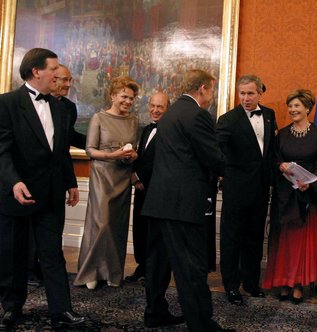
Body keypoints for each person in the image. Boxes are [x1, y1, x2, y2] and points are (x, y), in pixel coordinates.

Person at [0, 48, 87, 329]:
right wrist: (14, 181)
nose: (57, 74)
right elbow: (2, 151)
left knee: (52, 254)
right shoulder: (7, 103)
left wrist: (71, 183)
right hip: (17, 193)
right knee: (14, 254)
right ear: (36, 71)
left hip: (51, 193)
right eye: (53, 68)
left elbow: (61, 152)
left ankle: (61, 310)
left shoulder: (61, 107)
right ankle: (12, 308)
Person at [141, 70, 232, 331]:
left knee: (157, 263)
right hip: (182, 204)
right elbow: (213, 157)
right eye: (211, 91)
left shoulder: (170, 113)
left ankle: (155, 312)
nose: (211, 97)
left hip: (158, 200)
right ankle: (201, 324)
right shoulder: (197, 115)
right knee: (191, 267)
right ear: (202, 89)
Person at [262, 89, 317, 304]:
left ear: (307, 108)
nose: (292, 110)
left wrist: (309, 184)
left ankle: (298, 283)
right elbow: (273, 160)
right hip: (284, 195)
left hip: (307, 196)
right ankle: (283, 281)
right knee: (284, 242)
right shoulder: (282, 134)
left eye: (297, 106)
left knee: (301, 242)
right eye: (290, 106)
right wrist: (280, 166)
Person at [73, 76, 139, 290]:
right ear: (113, 95)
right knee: (101, 224)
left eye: (131, 98)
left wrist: (132, 156)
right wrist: (113, 156)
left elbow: (133, 149)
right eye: (124, 96)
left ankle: (112, 272)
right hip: (103, 176)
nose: (128, 101)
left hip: (122, 178)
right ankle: (91, 272)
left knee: (116, 227)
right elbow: (90, 150)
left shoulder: (133, 121)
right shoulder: (98, 118)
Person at [216, 75, 277, 305]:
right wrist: (228, 174)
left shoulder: (269, 115)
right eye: (242, 93)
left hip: (261, 189)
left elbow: (269, 152)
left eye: (250, 93)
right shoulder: (228, 119)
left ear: (260, 93)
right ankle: (231, 286)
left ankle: (251, 283)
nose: (245, 98)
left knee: (254, 238)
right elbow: (217, 151)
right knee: (232, 240)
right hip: (236, 191)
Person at [125, 91, 169, 283]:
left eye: (160, 107)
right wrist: (133, 175)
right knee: (140, 229)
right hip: (140, 189)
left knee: (154, 233)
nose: (155, 110)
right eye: (152, 105)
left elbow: (162, 162)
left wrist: (141, 176)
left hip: (157, 191)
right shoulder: (145, 130)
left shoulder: (170, 132)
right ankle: (141, 267)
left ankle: (152, 271)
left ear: (167, 109)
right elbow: (141, 156)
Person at [51, 64, 87, 149]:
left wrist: (98, 143)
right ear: (52, 79)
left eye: (70, 80)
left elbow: (70, 136)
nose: (69, 85)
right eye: (64, 80)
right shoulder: (37, 102)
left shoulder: (70, 107)